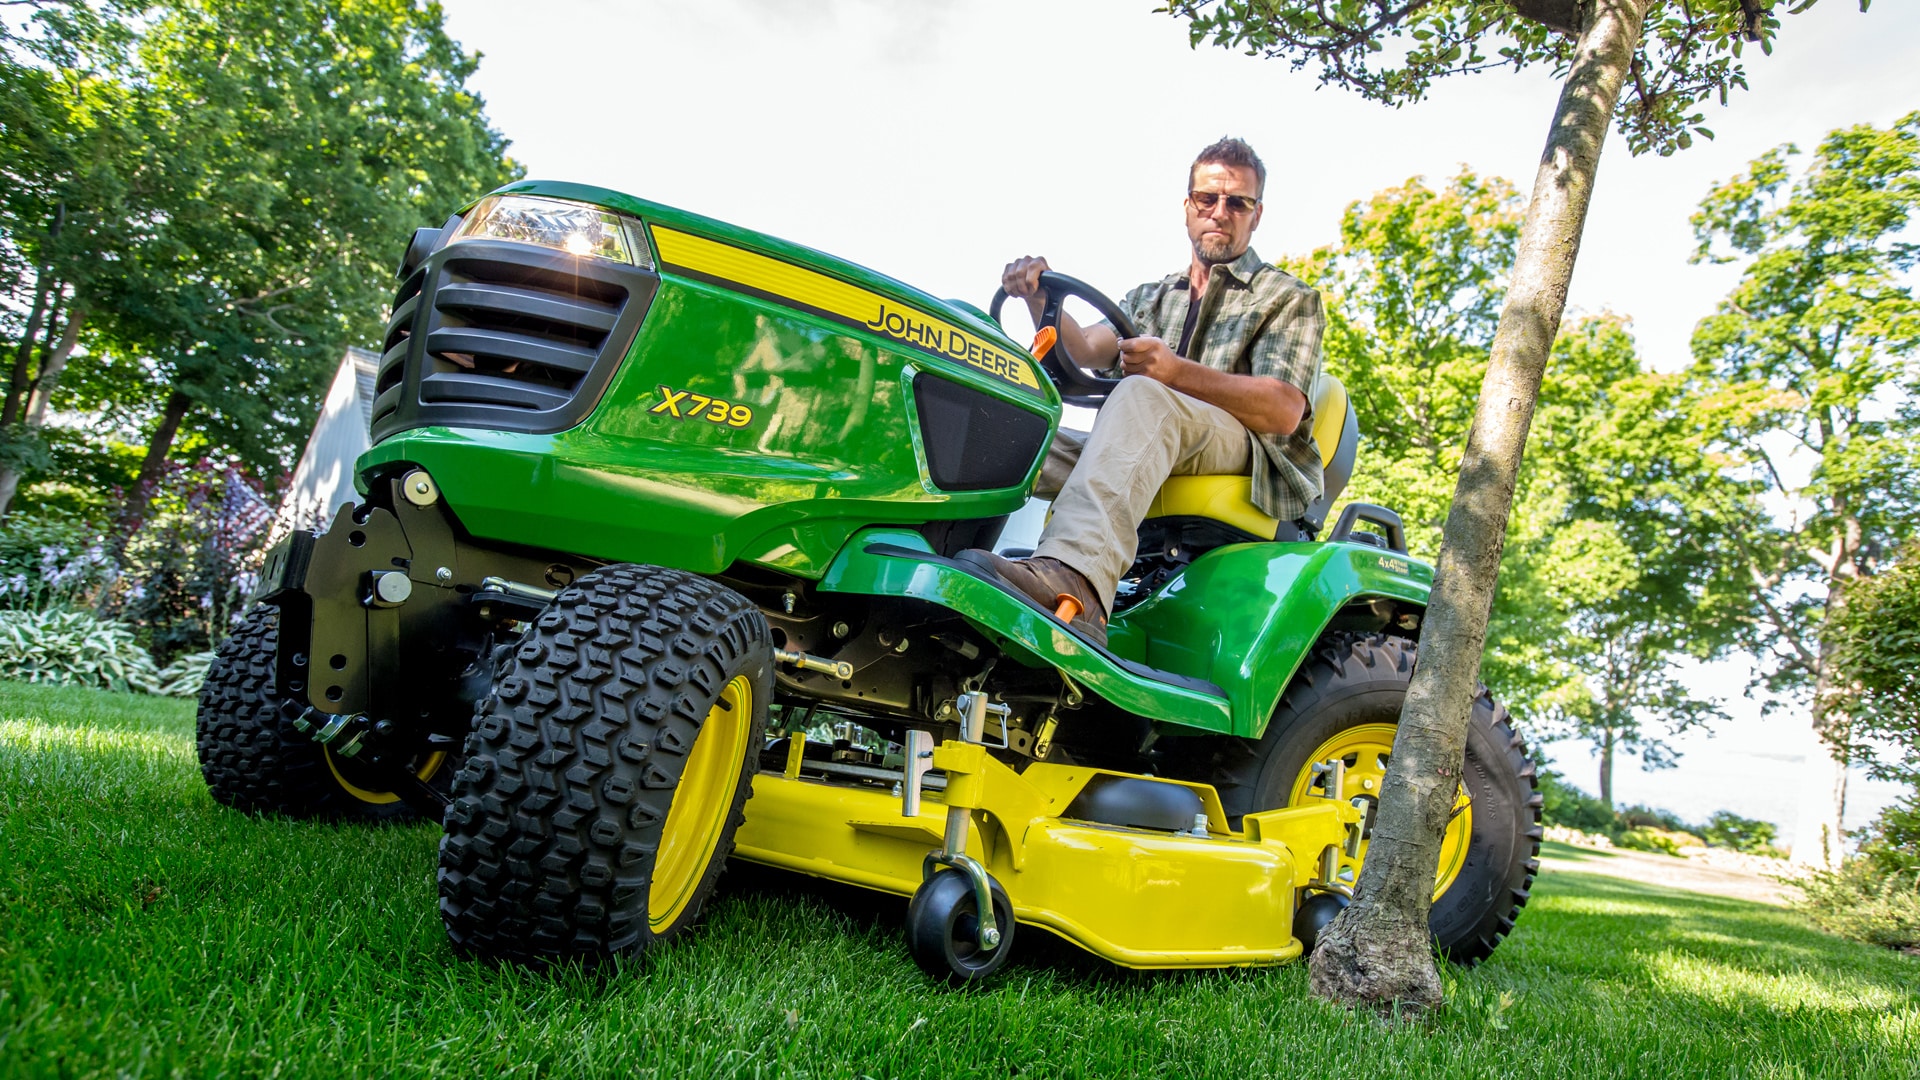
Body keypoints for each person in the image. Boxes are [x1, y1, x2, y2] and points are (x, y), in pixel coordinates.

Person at [956, 137, 1326, 648]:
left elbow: (1283, 410)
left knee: (1142, 396)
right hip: (1152, 435)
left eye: (1237, 202)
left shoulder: (1286, 297)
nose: (1220, 212)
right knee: (1011, 431)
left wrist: (1173, 373)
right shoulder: (1153, 297)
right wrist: (1039, 296)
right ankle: (941, 554)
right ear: (1188, 207)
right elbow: (1084, 348)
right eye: (1207, 199)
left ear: (1256, 215)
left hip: (1245, 452)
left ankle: (1075, 580)